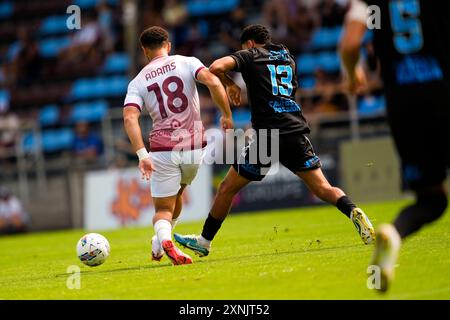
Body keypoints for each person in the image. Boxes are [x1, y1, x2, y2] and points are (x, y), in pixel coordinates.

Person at [175, 24, 375, 257]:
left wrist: (230, 84)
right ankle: (353, 211)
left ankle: (204, 241)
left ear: (249, 43)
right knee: (323, 187)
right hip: (295, 130)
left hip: (268, 136)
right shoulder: (288, 58)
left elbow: (215, 67)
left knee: (227, 188)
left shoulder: (251, 54)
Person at [340, 0, 449, 291]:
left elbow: (350, 45)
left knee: (432, 201)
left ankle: (395, 233)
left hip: (404, 105)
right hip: (443, 91)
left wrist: (353, 76)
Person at [123, 26, 233, 265]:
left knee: (163, 208)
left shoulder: (138, 81)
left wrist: (142, 154)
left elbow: (130, 117)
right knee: (178, 193)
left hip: (163, 149)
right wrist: (226, 114)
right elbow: (214, 83)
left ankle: (163, 238)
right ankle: (160, 243)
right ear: (168, 45)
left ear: (144, 51)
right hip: (194, 146)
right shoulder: (188, 62)